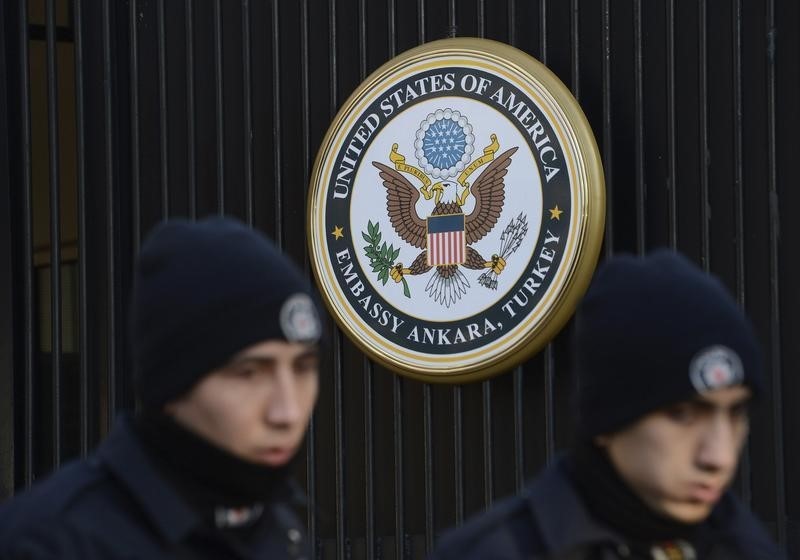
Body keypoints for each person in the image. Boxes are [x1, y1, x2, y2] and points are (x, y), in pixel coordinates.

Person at [0, 217, 323, 559]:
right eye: (248, 373)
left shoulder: (277, 531)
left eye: (303, 367)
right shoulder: (49, 543)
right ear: (171, 382)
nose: (287, 412)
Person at [431, 250, 785, 560]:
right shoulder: (493, 552)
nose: (719, 457)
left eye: (736, 412)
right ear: (606, 420)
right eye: (681, 414)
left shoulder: (750, 548)